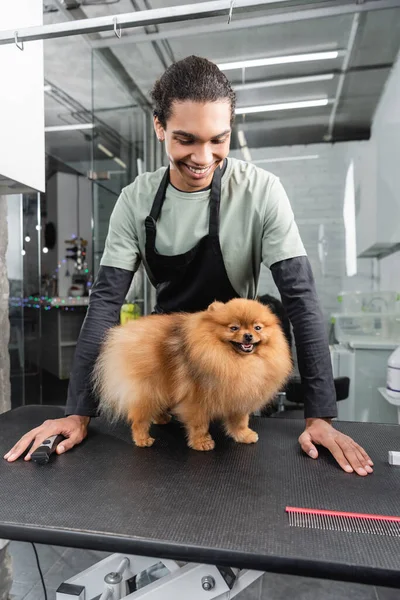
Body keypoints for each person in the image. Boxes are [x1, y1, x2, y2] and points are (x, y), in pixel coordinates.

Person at [5, 56, 373, 477]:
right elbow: (105, 304)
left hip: (236, 376)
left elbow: (301, 299)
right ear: (159, 127)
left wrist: (319, 416)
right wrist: (77, 413)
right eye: (186, 140)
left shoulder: (261, 192)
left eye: (219, 139)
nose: (204, 157)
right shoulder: (135, 200)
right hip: (171, 374)